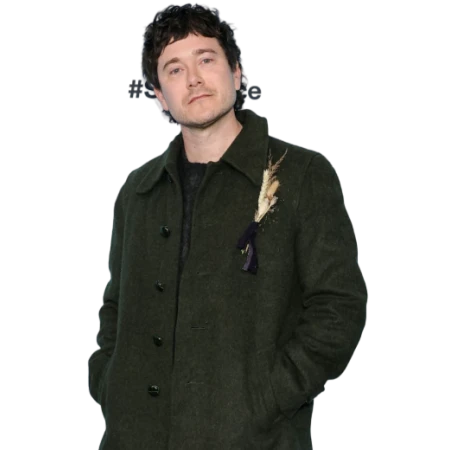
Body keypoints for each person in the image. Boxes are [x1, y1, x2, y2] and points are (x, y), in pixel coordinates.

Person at [87, 3, 368, 450]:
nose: (193, 78)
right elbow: (115, 306)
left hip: (250, 438)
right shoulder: (139, 191)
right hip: (133, 437)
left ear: (236, 73)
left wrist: (269, 397)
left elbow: (339, 308)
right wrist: (108, 380)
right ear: (161, 96)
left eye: (206, 59)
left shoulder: (301, 177)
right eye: (174, 69)